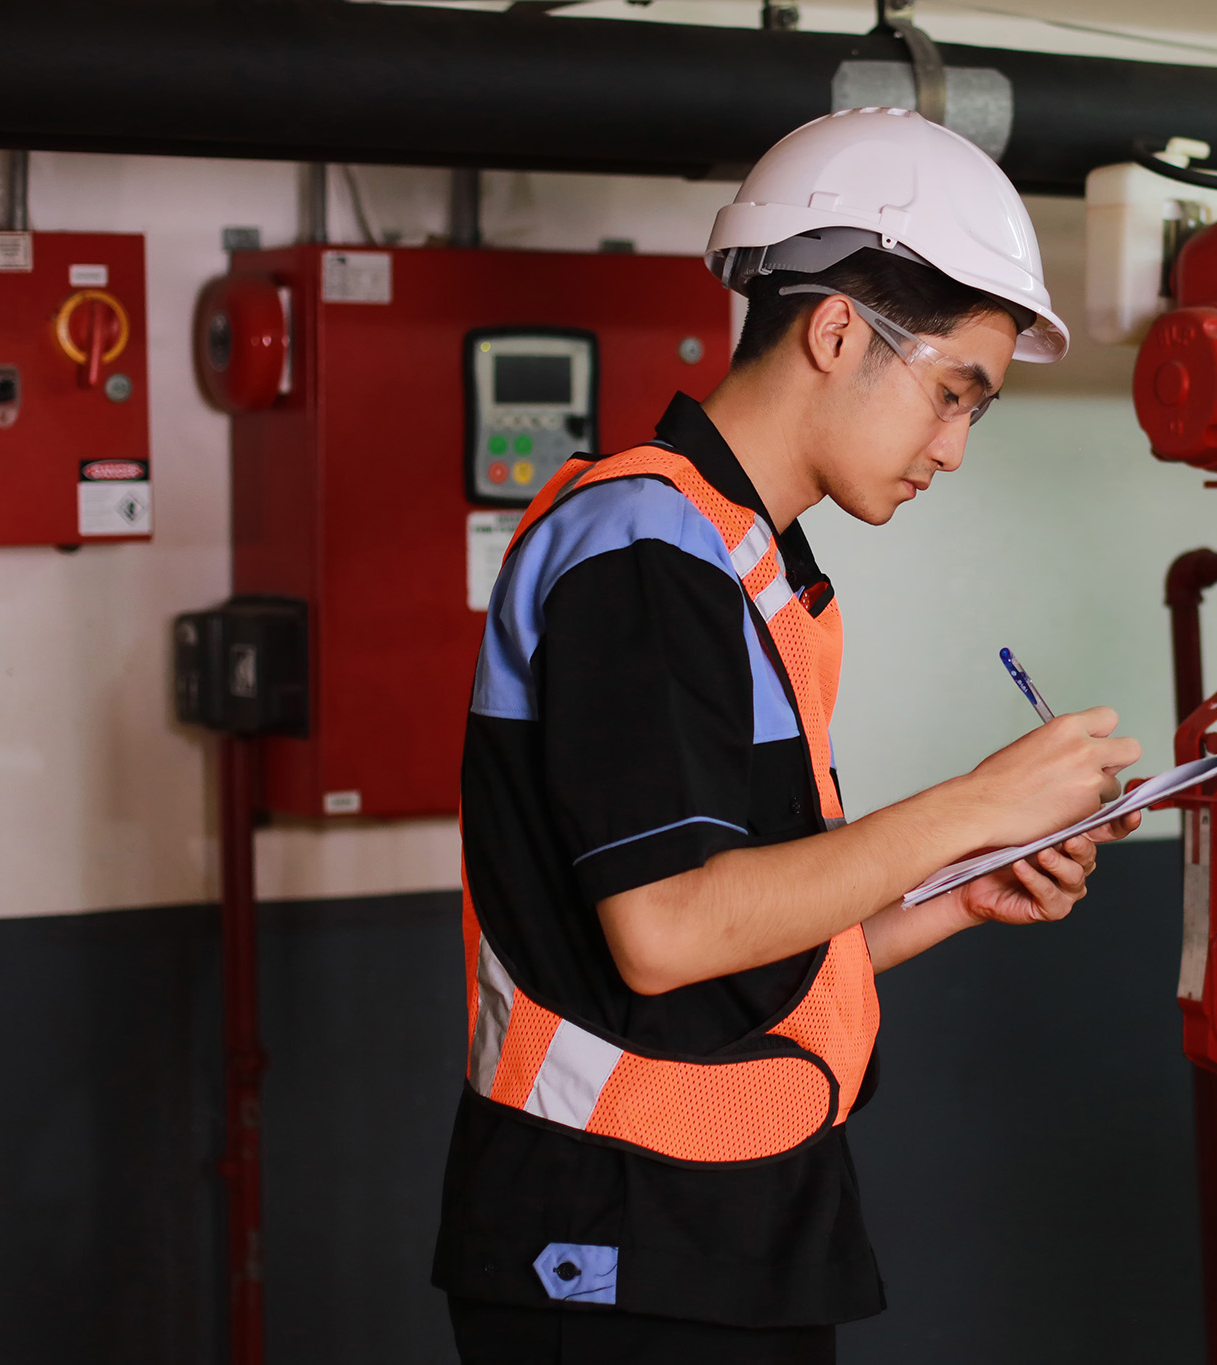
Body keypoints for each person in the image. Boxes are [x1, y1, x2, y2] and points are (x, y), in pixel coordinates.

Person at [433, 108, 1144, 1363]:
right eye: (950, 394)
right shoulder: (646, 553)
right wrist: (975, 805)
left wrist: (963, 890)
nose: (954, 450)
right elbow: (666, 932)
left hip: (723, 1221)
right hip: (614, 1237)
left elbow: (753, 939)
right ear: (833, 331)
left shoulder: (743, 560)